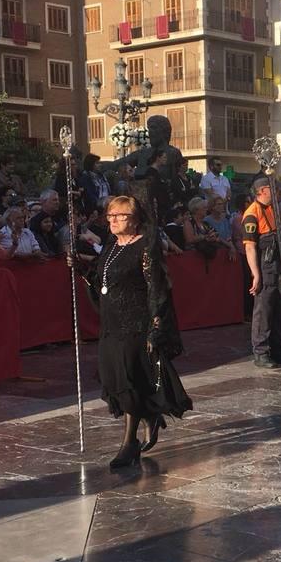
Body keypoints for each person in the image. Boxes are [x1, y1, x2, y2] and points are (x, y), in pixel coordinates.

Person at [79, 195, 192, 470]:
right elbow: (102, 281)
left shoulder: (145, 247)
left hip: (136, 322)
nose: (114, 221)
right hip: (111, 323)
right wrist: (81, 267)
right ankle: (150, 417)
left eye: (120, 216)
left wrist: (156, 326)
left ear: (135, 218)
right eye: (110, 216)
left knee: (130, 377)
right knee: (114, 375)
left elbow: (157, 288)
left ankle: (129, 444)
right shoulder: (111, 247)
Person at [242, 176, 281, 368]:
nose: (276, 192)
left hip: (277, 264)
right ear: (262, 190)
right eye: (273, 189)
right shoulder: (252, 214)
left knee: (278, 308)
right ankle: (261, 351)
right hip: (265, 265)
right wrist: (256, 274)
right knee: (263, 309)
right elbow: (250, 247)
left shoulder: (273, 210)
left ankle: (277, 349)